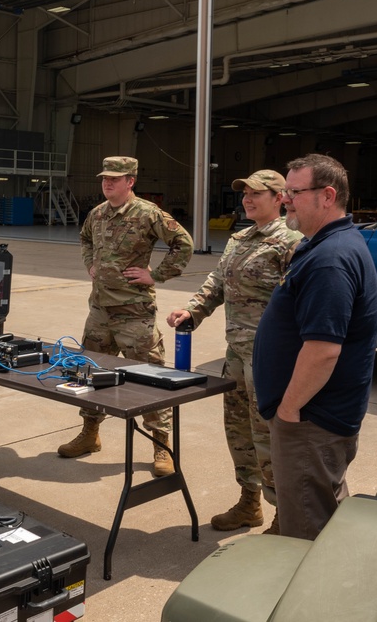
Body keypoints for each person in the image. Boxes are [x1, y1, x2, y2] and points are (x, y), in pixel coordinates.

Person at [253, 153, 377, 541]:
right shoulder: (322, 244)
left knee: (306, 532)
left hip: (311, 422)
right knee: (324, 509)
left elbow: (323, 349)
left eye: (294, 192)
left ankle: (310, 600)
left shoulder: (331, 258)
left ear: (327, 196)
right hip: (315, 420)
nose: (286, 199)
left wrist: (289, 411)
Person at [167, 169, 302, 534]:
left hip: (270, 359)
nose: (247, 198)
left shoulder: (291, 241)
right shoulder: (239, 238)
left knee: (268, 434)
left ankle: (284, 514)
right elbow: (217, 282)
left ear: (279, 198)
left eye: (256, 193)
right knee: (240, 432)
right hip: (236, 357)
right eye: (244, 192)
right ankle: (249, 503)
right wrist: (193, 309)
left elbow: (301, 300)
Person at [59, 156, 193, 477]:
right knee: (89, 375)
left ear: (130, 181)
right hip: (100, 312)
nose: (107, 183)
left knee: (151, 379)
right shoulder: (98, 213)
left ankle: (162, 445)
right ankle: (90, 433)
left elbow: (183, 244)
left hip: (135, 314)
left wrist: (156, 275)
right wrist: (90, 263)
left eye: (115, 179)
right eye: (105, 178)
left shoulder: (147, 214)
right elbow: (85, 239)